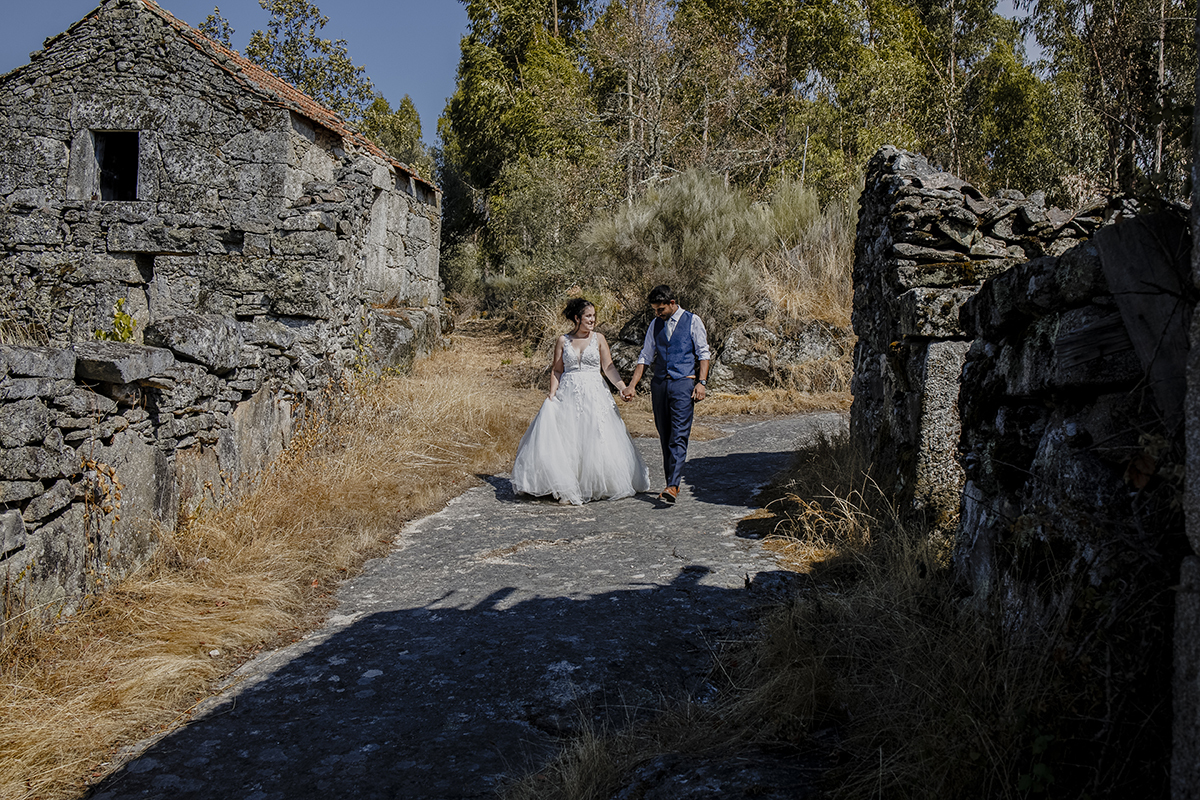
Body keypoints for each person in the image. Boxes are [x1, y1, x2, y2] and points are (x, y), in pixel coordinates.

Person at [512, 298, 651, 505]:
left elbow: (608, 367)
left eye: (594, 316)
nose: (592, 320)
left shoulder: (599, 339)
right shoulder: (563, 340)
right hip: (568, 393)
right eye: (588, 316)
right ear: (577, 318)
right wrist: (552, 393)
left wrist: (622, 387)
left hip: (594, 392)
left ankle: (596, 483)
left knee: (595, 436)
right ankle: (568, 485)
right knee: (569, 438)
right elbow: (557, 369)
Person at [621, 285, 710, 504]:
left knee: (679, 434)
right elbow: (645, 356)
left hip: (683, 384)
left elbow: (703, 353)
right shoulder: (655, 324)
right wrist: (632, 385)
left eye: (660, 309)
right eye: (654, 310)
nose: (657, 313)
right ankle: (671, 481)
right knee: (664, 433)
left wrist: (701, 383)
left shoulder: (693, 321)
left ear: (672, 303)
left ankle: (672, 485)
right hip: (659, 385)